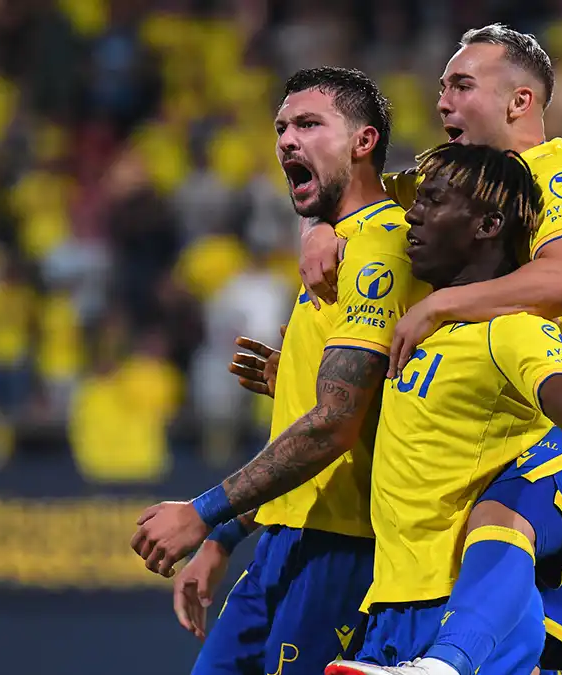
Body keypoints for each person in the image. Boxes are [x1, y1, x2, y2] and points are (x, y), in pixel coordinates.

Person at [299, 26, 562, 675]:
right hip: (528, 418)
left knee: (501, 516)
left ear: (519, 102)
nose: (442, 100)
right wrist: (321, 227)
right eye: (442, 85)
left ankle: (441, 665)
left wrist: (441, 304)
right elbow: (360, 198)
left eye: (462, 85)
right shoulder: (462, 182)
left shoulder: (558, 173)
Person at [130, 66, 425, 675]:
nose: (287, 139)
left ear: (364, 141)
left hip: (344, 546)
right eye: (282, 127)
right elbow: (308, 418)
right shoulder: (334, 247)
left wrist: (203, 513)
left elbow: (335, 424)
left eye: (309, 124)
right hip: (285, 538)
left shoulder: (380, 248)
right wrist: (226, 537)